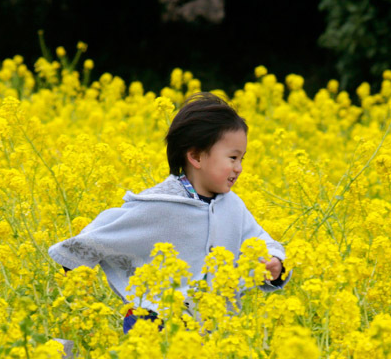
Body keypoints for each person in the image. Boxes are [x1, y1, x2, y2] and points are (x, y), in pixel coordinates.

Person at [48, 92, 288, 333]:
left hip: (209, 326)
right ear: (195, 156)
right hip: (154, 320)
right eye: (233, 158)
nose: (239, 168)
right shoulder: (161, 204)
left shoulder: (233, 206)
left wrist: (274, 262)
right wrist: (73, 268)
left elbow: (260, 240)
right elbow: (105, 231)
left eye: (242, 159)